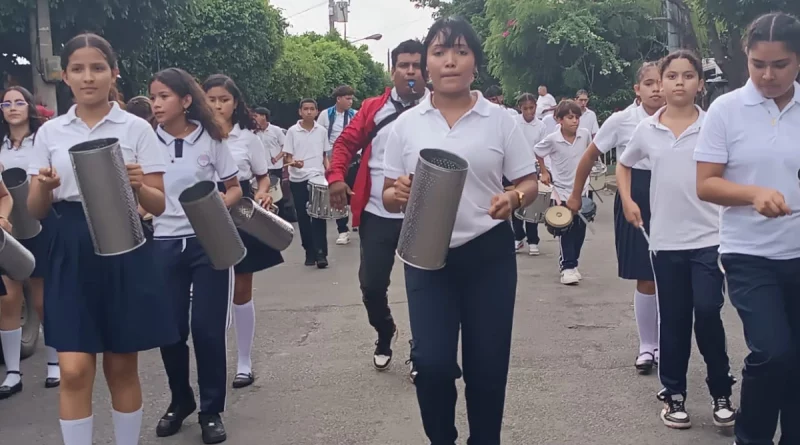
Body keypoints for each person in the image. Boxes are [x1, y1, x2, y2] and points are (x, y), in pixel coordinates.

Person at [382, 16, 539, 444]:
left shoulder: (501, 120)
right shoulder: (406, 126)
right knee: (431, 365)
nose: (450, 61)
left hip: (488, 254)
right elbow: (388, 194)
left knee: (487, 369)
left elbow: (529, 180)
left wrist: (515, 199)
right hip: (425, 255)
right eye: (439, 52)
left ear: (475, 63)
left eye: (461, 51)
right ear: (426, 66)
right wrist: (398, 191)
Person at [26, 32, 178, 445]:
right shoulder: (51, 133)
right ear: (66, 76)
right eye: (78, 69)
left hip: (124, 245)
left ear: (113, 74)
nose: (88, 77)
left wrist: (137, 187)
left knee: (121, 365)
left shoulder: (137, 129)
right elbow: (38, 209)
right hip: (71, 244)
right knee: (74, 368)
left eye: (97, 68)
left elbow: (159, 204)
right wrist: (44, 184)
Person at [694, 12, 800, 445]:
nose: (768, 75)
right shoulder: (726, 110)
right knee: (772, 352)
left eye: (780, 65)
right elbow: (706, 183)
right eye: (759, 64)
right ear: (747, 59)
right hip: (748, 255)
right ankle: (752, 436)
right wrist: (753, 194)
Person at [618, 49, 736, 431]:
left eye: (688, 76)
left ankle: (721, 391)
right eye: (671, 76)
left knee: (707, 311)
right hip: (664, 242)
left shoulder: (714, 126)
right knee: (673, 319)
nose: (679, 82)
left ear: (700, 84)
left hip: (709, 239)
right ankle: (673, 395)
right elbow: (623, 163)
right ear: (660, 84)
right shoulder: (646, 129)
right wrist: (627, 199)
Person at [149, 67, 242, 444]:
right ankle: (181, 400)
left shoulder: (212, 138)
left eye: (164, 96)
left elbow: (235, 188)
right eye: (153, 97)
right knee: (170, 330)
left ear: (186, 101)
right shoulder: (144, 140)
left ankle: (211, 409)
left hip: (208, 243)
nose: (156, 103)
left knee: (207, 329)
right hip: (164, 243)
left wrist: (221, 201)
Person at [326, 39, 428, 375]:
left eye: (416, 65)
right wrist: (336, 176)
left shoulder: (438, 107)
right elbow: (345, 143)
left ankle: (422, 350)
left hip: (424, 215)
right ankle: (385, 331)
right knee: (371, 285)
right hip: (377, 212)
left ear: (426, 69)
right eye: (404, 65)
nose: (410, 71)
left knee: (423, 289)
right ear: (393, 70)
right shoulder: (373, 108)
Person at [567, 62, 664, 373]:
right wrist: (575, 193)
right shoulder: (622, 121)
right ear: (637, 89)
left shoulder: (680, 116)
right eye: (649, 83)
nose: (657, 89)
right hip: (634, 195)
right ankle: (647, 346)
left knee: (671, 276)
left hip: (671, 198)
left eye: (662, 82)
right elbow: (590, 155)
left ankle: (668, 344)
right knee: (646, 276)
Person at [203, 74, 283, 390]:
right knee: (211, 289)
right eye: (212, 99)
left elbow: (263, 178)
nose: (218, 105)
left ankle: (244, 362)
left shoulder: (248, 138)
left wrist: (264, 193)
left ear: (235, 103)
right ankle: (214, 361)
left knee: (241, 287)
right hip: (203, 213)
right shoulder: (195, 135)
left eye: (224, 99)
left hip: (239, 210)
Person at [0, 86, 60, 399]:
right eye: (6, 103)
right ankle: (12, 372)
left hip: (39, 222)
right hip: (7, 228)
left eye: (18, 102)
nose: (12, 108)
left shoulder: (42, 139)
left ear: (29, 108)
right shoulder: (1, 145)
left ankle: (54, 361)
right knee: (8, 298)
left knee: (40, 297)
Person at [534, 100, 591, 285]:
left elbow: (590, 155)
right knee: (566, 228)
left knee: (580, 230)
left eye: (577, 117)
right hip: (562, 191)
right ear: (559, 119)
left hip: (582, 190)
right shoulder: (552, 139)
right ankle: (567, 266)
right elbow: (538, 152)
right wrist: (544, 171)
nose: (575, 121)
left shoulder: (584, 135)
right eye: (570, 117)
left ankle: (574, 264)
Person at [285, 99, 330, 268]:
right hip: (298, 178)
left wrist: (330, 174)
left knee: (319, 215)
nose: (309, 112)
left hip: (317, 177)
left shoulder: (322, 131)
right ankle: (309, 251)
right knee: (303, 217)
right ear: (300, 112)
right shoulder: (292, 131)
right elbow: (287, 156)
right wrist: (294, 162)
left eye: (312, 109)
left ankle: (321, 253)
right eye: (306, 109)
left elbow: (325, 155)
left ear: (317, 112)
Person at [317, 85, 357, 244]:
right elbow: (319, 137)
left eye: (351, 98)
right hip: (333, 158)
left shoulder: (356, 114)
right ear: (338, 99)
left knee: (354, 193)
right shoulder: (326, 115)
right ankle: (342, 230)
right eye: (347, 98)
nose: (350, 101)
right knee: (338, 193)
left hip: (353, 158)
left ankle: (357, 220)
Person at [512, 92, 547, 255]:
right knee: (516, 202)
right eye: (525, 108)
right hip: (515, 166)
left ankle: (533, 240)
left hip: (533, 167)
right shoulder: (513, 123)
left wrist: (544, 170)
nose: (528, 112)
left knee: (532, 203)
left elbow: (542, 150)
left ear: (536, 107)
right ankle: (518, 237)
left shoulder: (541, 126)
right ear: (520, 108)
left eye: (531, 108)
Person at [253, 107, 285, 179]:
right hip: (261, 168)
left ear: (263, 116)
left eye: (256, 116)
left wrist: (277, 158)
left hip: (275, 167)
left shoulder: (276, 130)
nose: (254, 118)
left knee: (275, 189)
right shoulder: (254, 132)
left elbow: (285, 147)